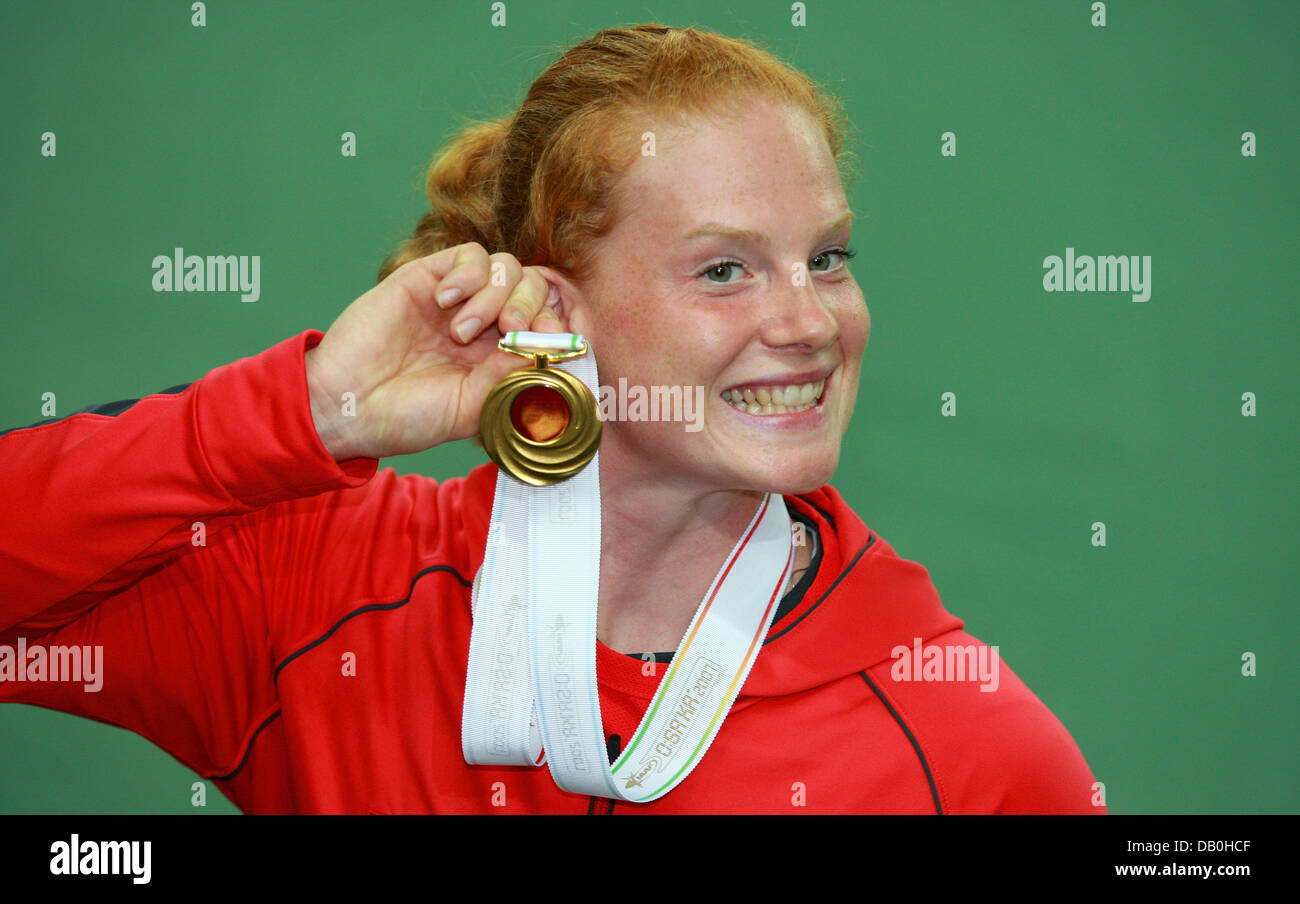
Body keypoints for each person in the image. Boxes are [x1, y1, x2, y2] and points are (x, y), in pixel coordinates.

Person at [0, 24, 1103, 814]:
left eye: (827, 258)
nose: (809, 320)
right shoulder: (318, 597)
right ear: (558, 311)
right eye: (724, 269)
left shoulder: (968, 747)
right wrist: (310, 415)